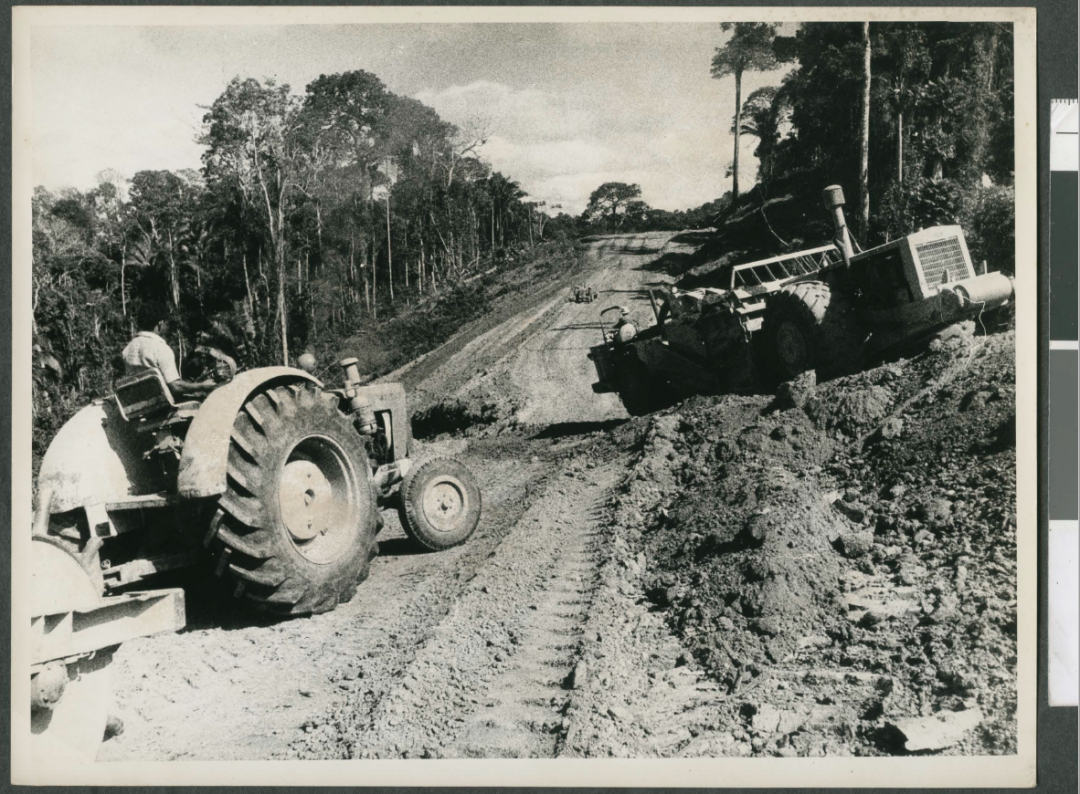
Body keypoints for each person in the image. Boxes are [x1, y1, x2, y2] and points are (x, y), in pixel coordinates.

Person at [122, 302, 215, 399]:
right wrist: (202, 386)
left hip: (137, 404)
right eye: (167, 323)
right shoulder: (161, 348)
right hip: (163, 403)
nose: (168, 327)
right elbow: (175, 387)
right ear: (160, 324)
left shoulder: (127, 349)